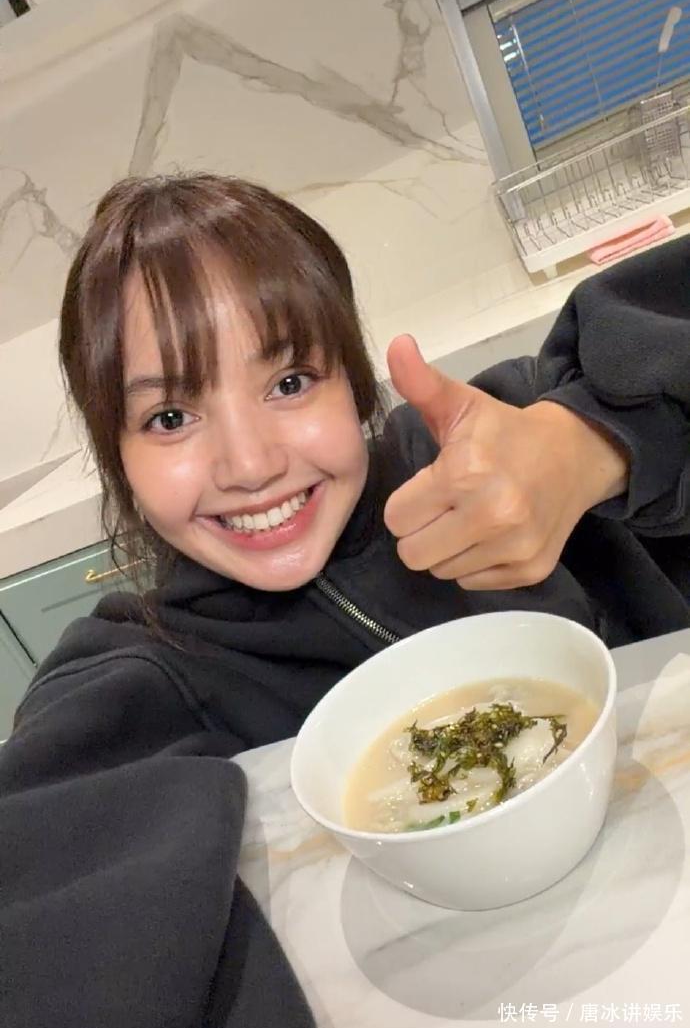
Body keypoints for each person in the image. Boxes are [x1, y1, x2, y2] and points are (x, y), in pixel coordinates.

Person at [1, 173, 688, 1028]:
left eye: (290, 381)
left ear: (356, 385)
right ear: (121, 464)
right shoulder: (134, 676)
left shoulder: (492, 451)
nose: (250, 464)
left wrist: (595, 444)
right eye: (171, 417)